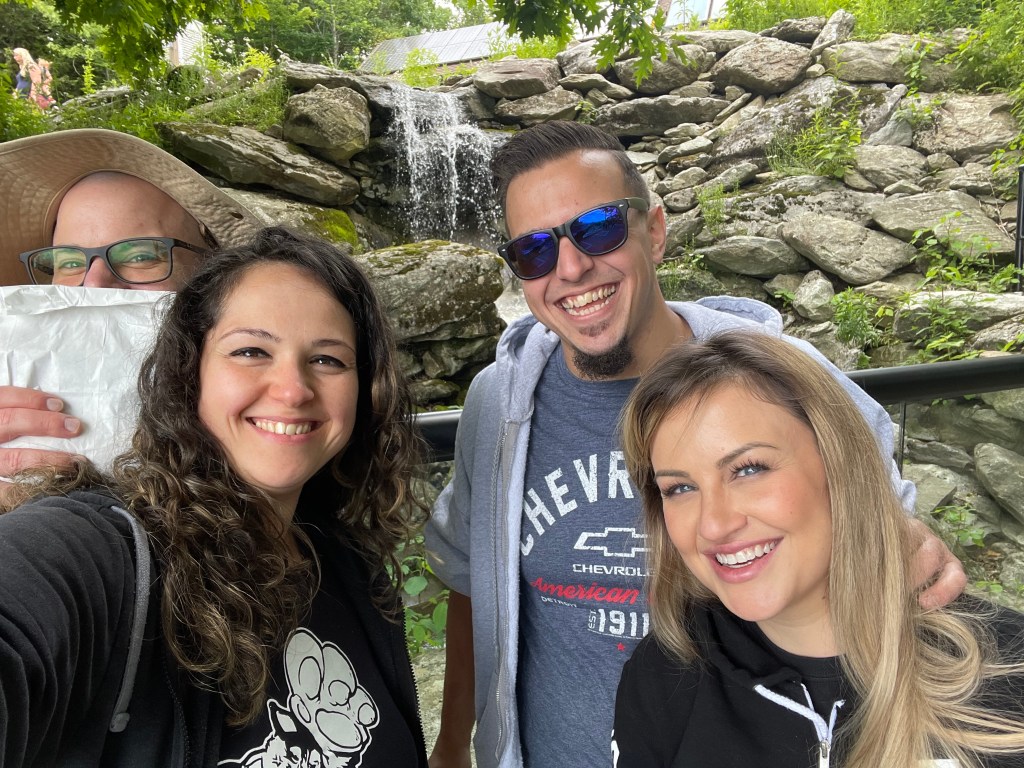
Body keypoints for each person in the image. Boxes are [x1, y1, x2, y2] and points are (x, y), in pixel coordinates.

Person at [423, 120, 967, 768]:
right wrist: (454, 743)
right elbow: (469, 578)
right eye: (534, 251)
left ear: (653, 229)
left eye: (597, 228)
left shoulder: (786, 379)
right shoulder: (497, 404)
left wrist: (904, 542)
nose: (569, 267)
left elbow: (896, 542)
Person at [0, 226, 429, 767]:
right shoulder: (98, 551)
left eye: (328, 360)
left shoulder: (347, 562)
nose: (293, 389)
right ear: (189, 373)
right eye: (251, 350)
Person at [614, 331, 1024, 767]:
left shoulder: (1009, 670)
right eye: (679, 488)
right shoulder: (666, 673)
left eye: (748, 469)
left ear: (839, 464)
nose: (713, 526)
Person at [0, 128, 260, 499]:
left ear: (211, 270)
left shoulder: (272, 402)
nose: (94, 285)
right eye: (69, 262)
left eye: (140, 256)